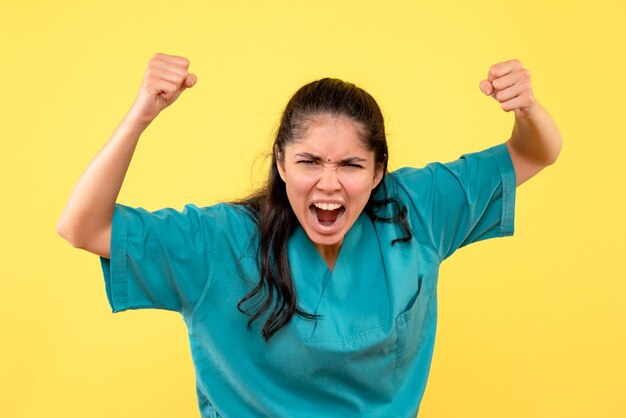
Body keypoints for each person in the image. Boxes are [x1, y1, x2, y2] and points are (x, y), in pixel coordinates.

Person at [57, 52, 563, 417]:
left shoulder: (415, 209)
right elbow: (83, 226)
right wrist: (141, 113)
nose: (328, 183)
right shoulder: (219, 244)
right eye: (309, 162)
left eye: (350, 164)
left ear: (379, 170)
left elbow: (535, 152)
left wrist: (528, 110)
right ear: (280, 162)